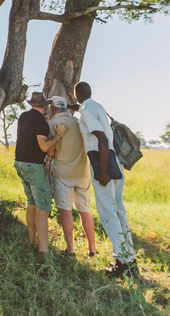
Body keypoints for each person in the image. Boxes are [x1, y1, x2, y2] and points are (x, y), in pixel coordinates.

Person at [74, 81, 138, 278]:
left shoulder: (86, 111)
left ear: (76, 94)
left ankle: (123, 262)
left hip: (103, 162)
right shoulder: (97, 107)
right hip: (115, 161)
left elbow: (101, 139)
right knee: (119, 211)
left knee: (107, 213)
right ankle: (130, 258)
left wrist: (102, 171)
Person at [14, 91, 66, 255]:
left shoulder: (23, 116)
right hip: (34, 167)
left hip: (20, 164)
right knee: (43, 209)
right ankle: (44, 251)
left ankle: (32, 242)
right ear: (45, 106)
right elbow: (44, 147)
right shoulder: (41, 122)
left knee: (32, 204)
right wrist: (58, 136)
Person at [46, 95, 97, 258]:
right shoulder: (78, 122)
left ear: (52, 108)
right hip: (82, 172)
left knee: (66, 211)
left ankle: (70, 249)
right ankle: (92, 249)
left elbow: (51, 152)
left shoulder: (51, 124)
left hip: (63, 173)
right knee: (85, 211)